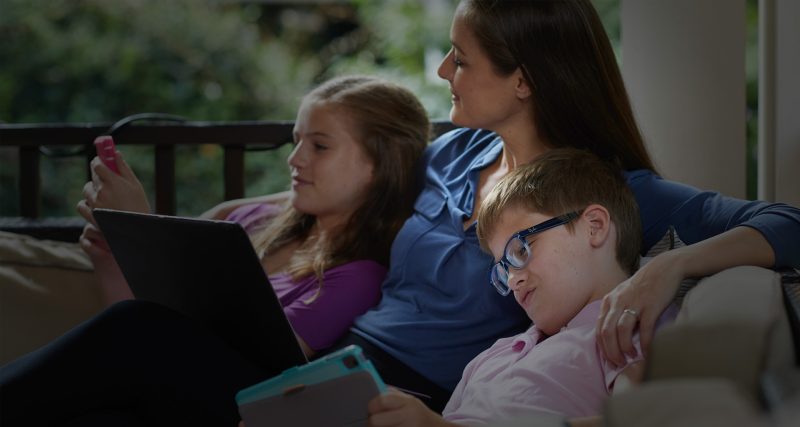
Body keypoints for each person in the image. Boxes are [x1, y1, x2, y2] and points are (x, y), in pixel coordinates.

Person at [320, 0, 800, 412]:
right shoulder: (453, 152)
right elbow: (368, 208)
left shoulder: (606, 192)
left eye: (461, 59)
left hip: (419, 399)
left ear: (523, 81)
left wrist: (671, 265)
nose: (444, 70)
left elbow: (788, 223)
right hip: (339, 358)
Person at [0, 75, 430, 426]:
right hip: (164, 387)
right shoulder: (250, 218)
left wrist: (142, 226)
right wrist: (114, 257)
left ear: (379, 164)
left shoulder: (356, 275)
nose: (295, 159)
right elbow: (143, 338)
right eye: (295, 141)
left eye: (319, 146)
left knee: (138, 330)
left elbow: (211, 349)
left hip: (244, 404)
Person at [367, 148, 672, 426]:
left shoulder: (626, 329)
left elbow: (642, 419)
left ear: (594, 226)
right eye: (503, 269)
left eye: (521, 249)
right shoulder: (493, 357)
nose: (512, 280)